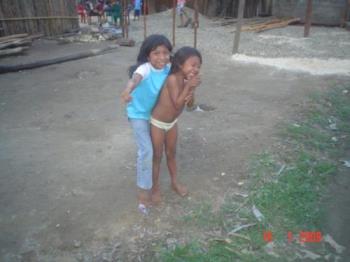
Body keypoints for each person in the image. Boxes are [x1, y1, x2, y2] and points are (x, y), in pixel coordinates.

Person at [120, 35, 172, 215]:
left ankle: (154, 185)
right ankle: (143, 193)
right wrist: (127, 90)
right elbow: (135, 79)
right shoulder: (145, 68)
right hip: (138, 115)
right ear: (148, 55)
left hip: (155, 114)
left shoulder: (169, 69)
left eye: (165, 53)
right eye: (156, 53)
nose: (161, 57)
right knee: (147, 151)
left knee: (156, 150)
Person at [150, 47, 202, 204]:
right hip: (158, 123)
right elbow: (177, 103)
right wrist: (188, 86)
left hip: (172, 123)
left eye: (198, 66)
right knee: (157, 157)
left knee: (172, 154)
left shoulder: (186, 80)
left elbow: (190, 105)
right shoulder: (173, 79)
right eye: (192, 65)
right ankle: (155, 189)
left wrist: (192, 88)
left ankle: (174, 183)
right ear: (180, 64)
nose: (196, 69)